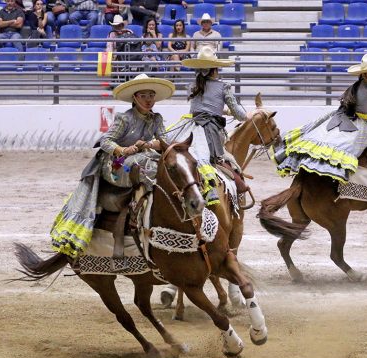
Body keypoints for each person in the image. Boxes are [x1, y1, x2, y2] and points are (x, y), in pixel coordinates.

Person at [50, 74, 175, 259]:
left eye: (151, 95)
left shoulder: (156, 119)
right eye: (144, 96)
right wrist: (123, 150)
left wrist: (148, 145)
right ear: (135, 98)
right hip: (116, 164)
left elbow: (165, 141)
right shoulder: (124, 118)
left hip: (143, 156)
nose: (149, 100)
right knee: (145, 168)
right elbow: (106, 141)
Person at [276, 53, 367, 186]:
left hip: (351, 115)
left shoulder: (357, 86)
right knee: (364, 145)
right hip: (366, 121)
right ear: (364, 75)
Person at [166, 47, 250, 203]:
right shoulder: (224, 86)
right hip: (210, 128)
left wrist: (222, 111)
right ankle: (212, 188)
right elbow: (240, 115)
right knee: (220, 157)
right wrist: (244, 115)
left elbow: (201, 107)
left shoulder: (192, 86)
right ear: (215, 69)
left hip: (190, 124)